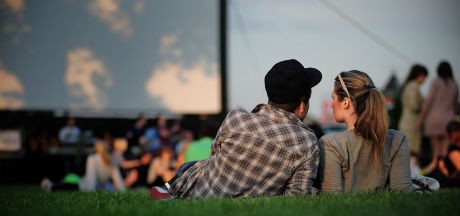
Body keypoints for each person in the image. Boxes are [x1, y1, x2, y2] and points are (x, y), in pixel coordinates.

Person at [150, 59, 322, 199]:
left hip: (200, 193)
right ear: (301, 105)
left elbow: (214, 157)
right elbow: (297, 196)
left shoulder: (236, 118)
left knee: (190, 166)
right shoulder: (307, 142)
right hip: (254, 196)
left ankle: (167, 191)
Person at [319, 70, 412, 193]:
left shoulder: (330, 144)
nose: (331, 105)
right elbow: (402, 193)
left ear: (346, 102)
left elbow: (330, 196)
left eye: (333, 98)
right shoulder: (397, 140)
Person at [417, 61, 459, 169]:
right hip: (448, 121)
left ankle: (437, 175)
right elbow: (455, 106)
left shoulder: (436, 82)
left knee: (436, 151)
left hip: (434, 120)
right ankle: (446, 172)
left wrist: (420, 121)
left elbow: (428, 102)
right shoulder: (454, 84)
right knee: (445, 151)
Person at [41, 140, 126, 192]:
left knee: (69, 186)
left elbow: (118, 181)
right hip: (87, 186)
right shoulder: (98, 159)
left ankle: (51, 184)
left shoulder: (106, 160)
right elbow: (92, 182)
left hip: (90, 187)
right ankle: (50, 184)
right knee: (69, 186)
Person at [398, 64, 428, 158]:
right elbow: (413, 105)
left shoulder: (409, 85)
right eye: (425, 77)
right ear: (420, 75)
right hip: (411, 123)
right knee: (411, 151)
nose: (425, 80)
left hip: (408, 122)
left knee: (408, 150)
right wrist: (424, 106)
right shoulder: (413, 86)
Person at [428, 120, 460, 188]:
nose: (458, 143)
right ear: (449, 138)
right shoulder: (454, 151)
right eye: (456, 140)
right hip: (440, 179)